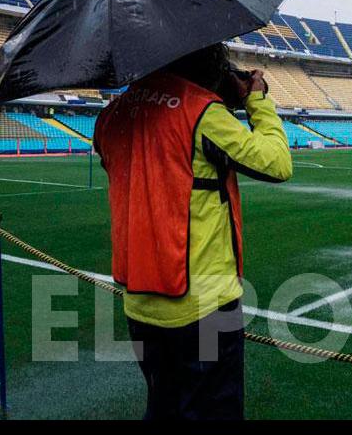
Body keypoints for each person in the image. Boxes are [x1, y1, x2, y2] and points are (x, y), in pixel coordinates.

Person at [93, 43, 292, 420]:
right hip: (204, 305)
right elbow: (278, 163)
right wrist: (256, 102)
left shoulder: (113, 114)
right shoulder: (201, 112)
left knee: (163, 408)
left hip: (140, 301)